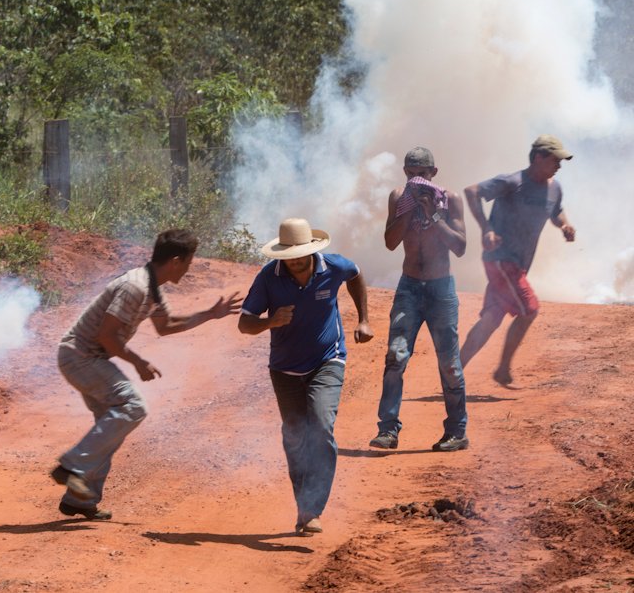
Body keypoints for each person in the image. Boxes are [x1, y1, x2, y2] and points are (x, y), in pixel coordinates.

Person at [52, 229, 242, 520]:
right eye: (189, 262)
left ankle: (80, 499)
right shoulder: (135, 287)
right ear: (176, 261)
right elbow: (106, 336)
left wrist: (209, 314)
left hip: (89, 358)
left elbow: (166, 326)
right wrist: (139, 362)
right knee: (133, 407)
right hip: (80, 357)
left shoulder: (152, 289)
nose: (189, 269)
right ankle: (71, 466)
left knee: (110, 428)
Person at [238, 218, 373, 536]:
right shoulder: (269, 277)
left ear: (311, 250)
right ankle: (303, 506)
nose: (295, 261)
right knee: (295, 437)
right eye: (290, 256)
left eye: (300, 255)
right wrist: (270, 322)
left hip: (328, 360)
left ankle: (313, 508)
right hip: (284, 369)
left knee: (321, 425)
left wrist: (364, 319)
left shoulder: (333, 266)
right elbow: (245, 323)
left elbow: (355, 274)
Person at [369, 147, 469, 453]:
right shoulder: (398, 198)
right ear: (404, 173)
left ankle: (456, 431)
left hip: (441, 290)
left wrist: (433, 214)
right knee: (395, 357)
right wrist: (410, 209)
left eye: (422, 174)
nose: (417, 180)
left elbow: (460, 247)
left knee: (449, 363)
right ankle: (388, 430)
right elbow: (390, 242)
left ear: (433, 173)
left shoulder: (450, 200)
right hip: (409, 288)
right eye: (411, 174)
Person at [460, 135, 576, 386]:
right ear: (538, 157)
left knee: (491, 319)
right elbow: (472, 192)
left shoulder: (554, 188)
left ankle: (453, 371)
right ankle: (502, 369)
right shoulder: (512, 182)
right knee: (529, 310)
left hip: (517, 264)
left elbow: (556, 210)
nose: (559, 165)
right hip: (502, 259)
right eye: (555, 160)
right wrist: (486, 228)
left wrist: (564, 225)